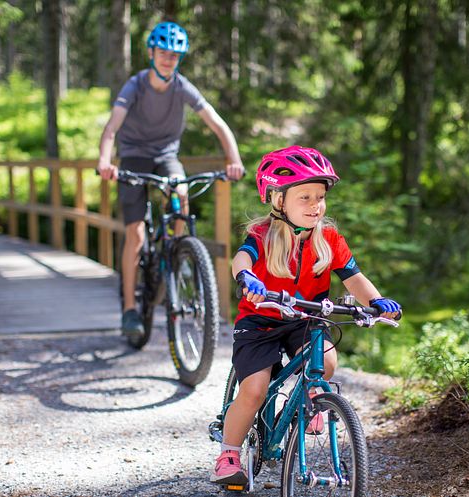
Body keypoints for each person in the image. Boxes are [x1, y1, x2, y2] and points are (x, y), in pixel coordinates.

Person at [210, 145, 402, 486]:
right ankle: (229, 453)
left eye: (320, 197)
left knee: (326, 361)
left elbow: (353, 277)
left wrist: (377, 300)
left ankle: (306, 403)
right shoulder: (262, 235)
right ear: (278, 199)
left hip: (305, 320)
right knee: (254, 390)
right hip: (261, 322)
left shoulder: (328, 239)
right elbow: (240, 258)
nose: (316, 205)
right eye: (305, 197)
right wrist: (246, 277)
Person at [97, 21, 245, 337]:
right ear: (151, 53)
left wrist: (233, 159)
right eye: (163, 53)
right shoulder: (135, 86)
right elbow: (111, 128)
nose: (168, 60)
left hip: (166, 156)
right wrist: (104, 161)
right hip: (134, 155)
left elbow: (218, 125)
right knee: (135, 233)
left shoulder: (182, 86)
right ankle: (129, 310)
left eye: (175, 55)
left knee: (180, 189)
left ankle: (176, 252)